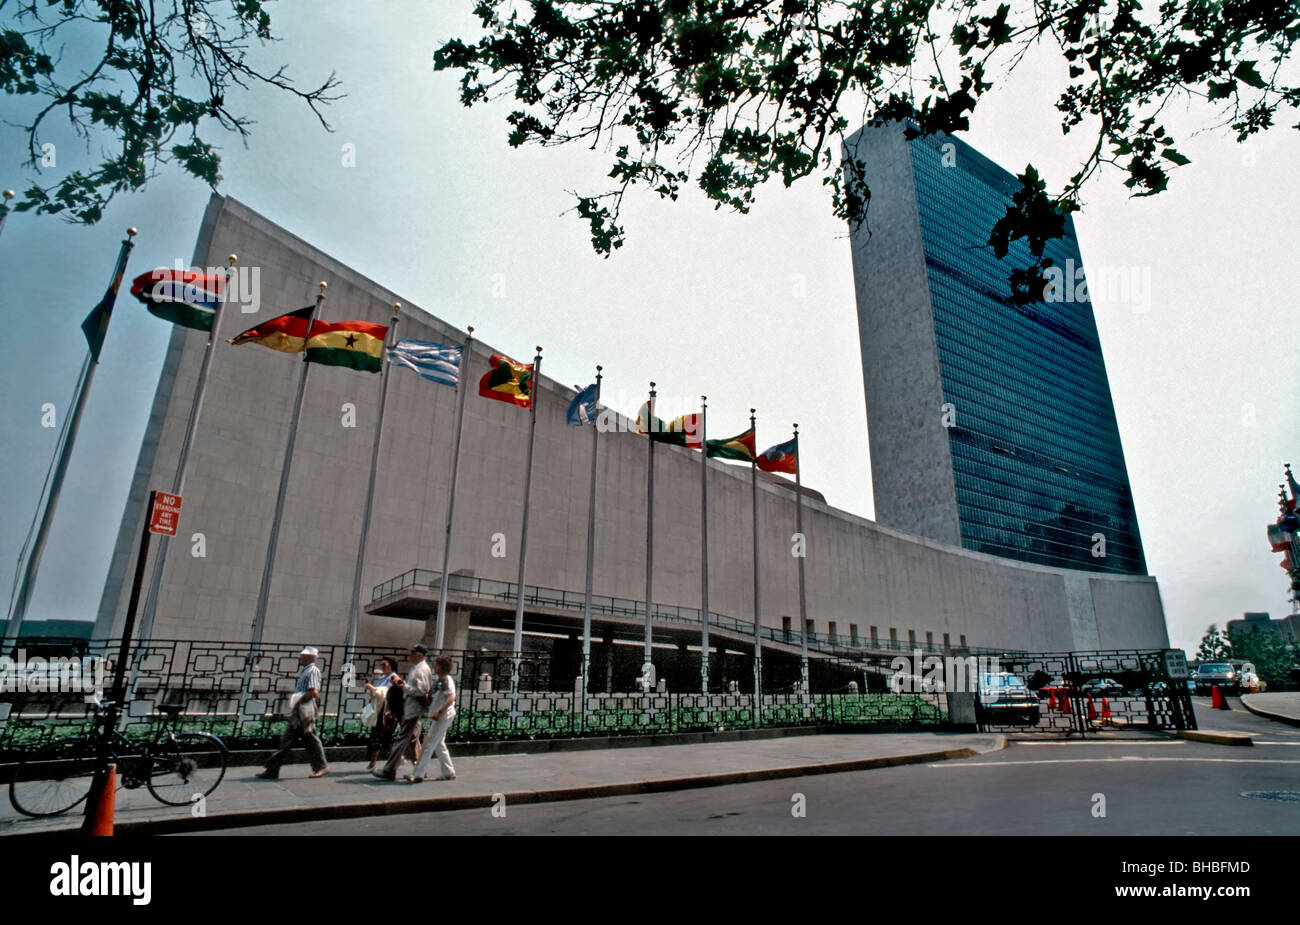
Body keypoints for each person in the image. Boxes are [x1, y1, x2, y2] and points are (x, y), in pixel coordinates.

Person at [257, 646, 329, 779]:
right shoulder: (306, 671)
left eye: (303, 656)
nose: (300, 658)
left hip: (304, 710)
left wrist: (298, 699)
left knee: (303, 739)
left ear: (309, 658)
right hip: (300, 709)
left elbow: (313, 691)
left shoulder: (312, 671)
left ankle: (321, 767)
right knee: (294, 739)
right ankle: (273, 769)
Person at [375, 644, 432, 781]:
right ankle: (420, 769)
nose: (410, 656)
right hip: (411, 707)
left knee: (401, 740)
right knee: (412, 738)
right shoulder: (418, 668)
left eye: (412, 653)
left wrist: (402, 686)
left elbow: (421, 691)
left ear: (419, 655)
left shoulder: (421, 670)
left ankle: (389, 770)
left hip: (413, 708)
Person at [408, 654, 457, 783]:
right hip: (442, 715)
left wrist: (439, 712)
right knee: (438, 743)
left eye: (436, 664)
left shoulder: (445, 680)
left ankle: (418, 773)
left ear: (441, 667)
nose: (434, 666)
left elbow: (451, 698)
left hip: (442, 716)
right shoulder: (441, 680)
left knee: (428, 743)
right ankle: (448, 772)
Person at [364, 657, 401, 771]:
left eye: (384, 664)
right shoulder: (383, 677)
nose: (382, 667)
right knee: (386, 736)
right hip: (380, 709)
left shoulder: (393, 677)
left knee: (378, 735)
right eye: (381, 665)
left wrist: (372, 688)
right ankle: (399, 758)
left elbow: (386, 692)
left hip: (386, 711)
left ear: (391, 665)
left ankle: (372, 763)